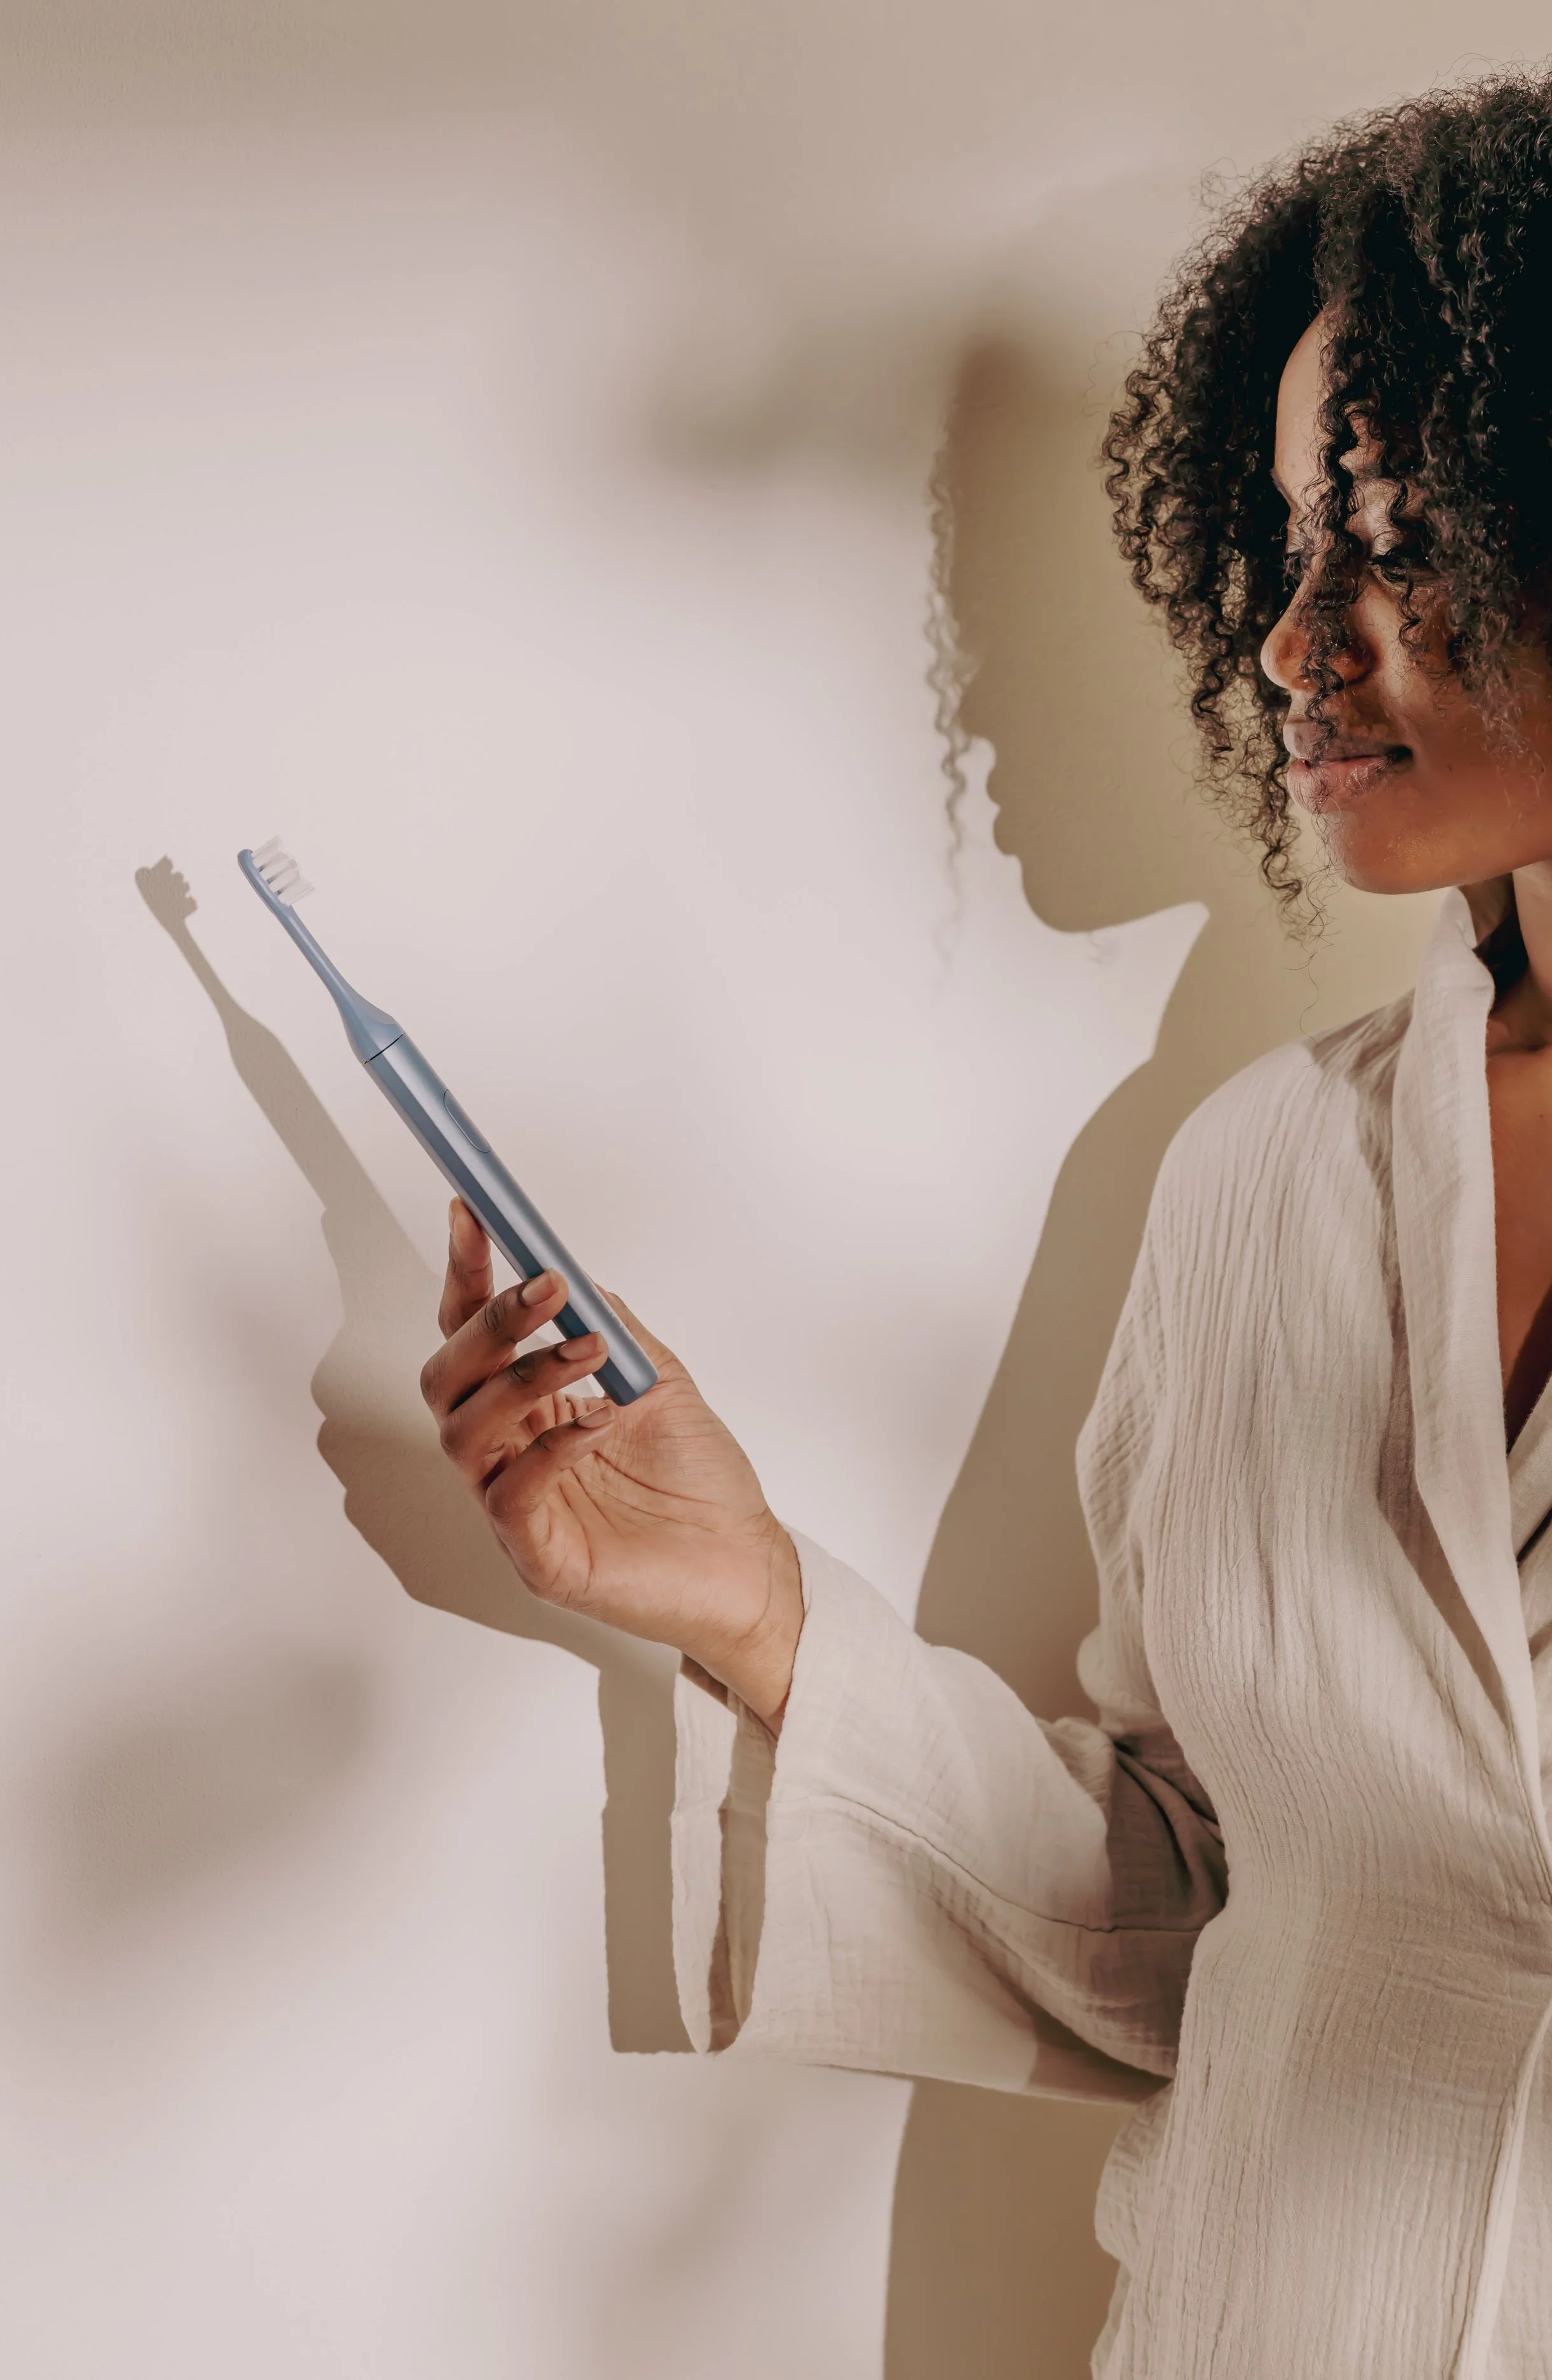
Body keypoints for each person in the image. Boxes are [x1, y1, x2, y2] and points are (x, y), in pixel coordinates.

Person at [418, 72, 1552, 2380]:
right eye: (1279, 546)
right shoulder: (1265, 1177)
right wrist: (754, 1604)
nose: (1290, 641)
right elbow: (1205, 1905)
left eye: (1392, 531)